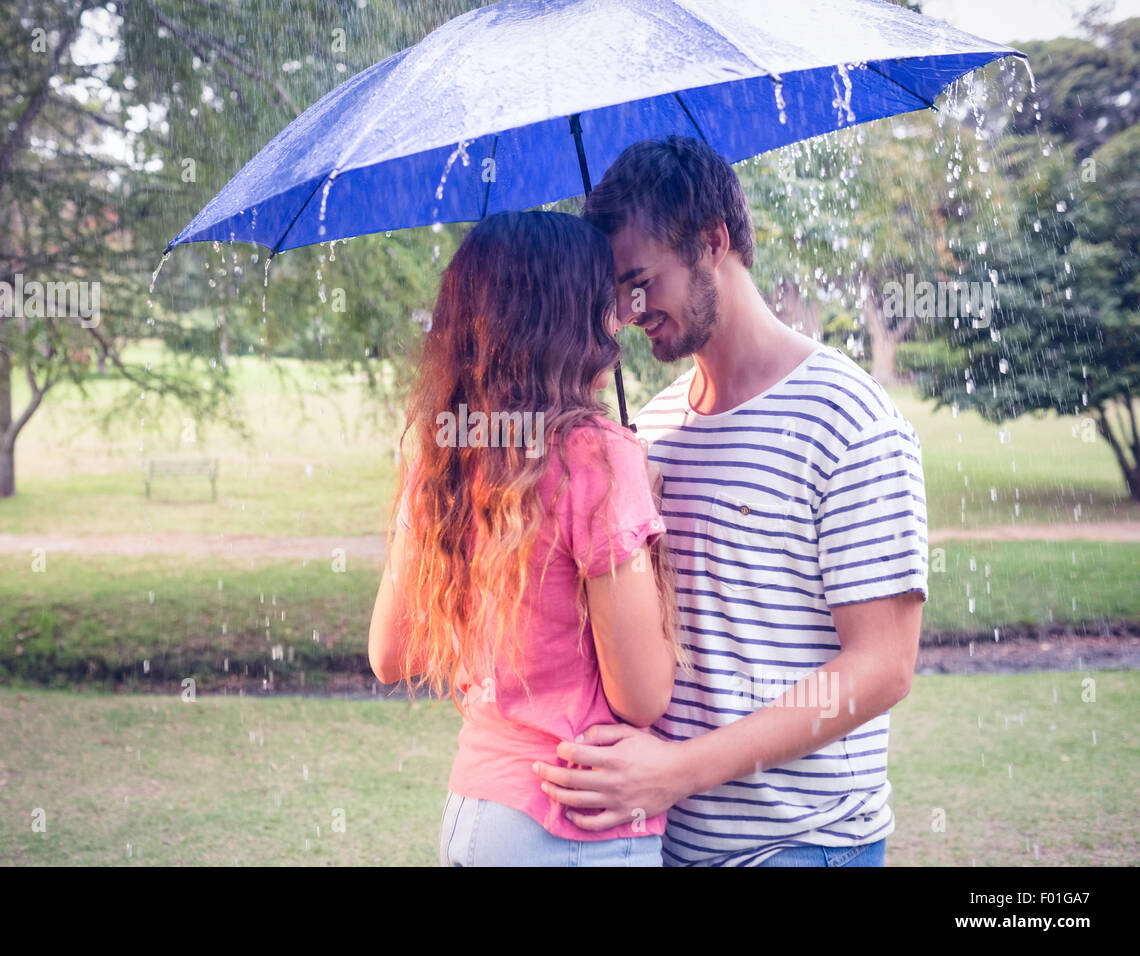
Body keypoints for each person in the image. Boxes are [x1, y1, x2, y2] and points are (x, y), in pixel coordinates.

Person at [533, 136, 930, 867]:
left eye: (640, 281)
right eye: (615, 292)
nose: (624, 310)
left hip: (800, 846)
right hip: (660, 843)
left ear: (713, 240)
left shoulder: (848, 420)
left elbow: (881, 668)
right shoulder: (649, 429)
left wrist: (677, 772)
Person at [367, 209, 689, 866]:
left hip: (475, 813)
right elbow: (644, 694)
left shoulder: (440, 458)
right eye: (604, 305)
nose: (619, 321)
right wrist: (642, 537)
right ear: (567, 322)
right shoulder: (597, 460)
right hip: (574, 828)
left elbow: (390, 653)